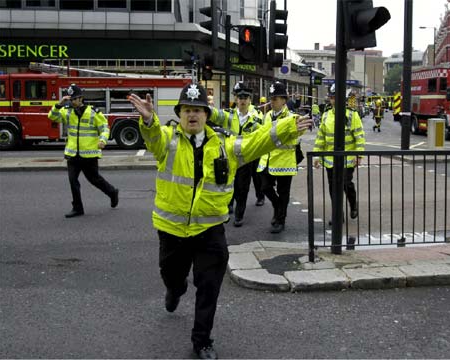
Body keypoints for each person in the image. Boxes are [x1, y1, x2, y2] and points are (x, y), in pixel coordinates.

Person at [128, 83, 312, 359]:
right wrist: (147, 120)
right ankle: (175, 290)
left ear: (206, 114)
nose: (193, 115)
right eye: (187, 110)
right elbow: (153, 137)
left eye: (198, 110)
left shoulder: (227, 146)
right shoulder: (167, 140)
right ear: (180, 114)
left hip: (210, 231)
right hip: (172, 231)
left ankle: (201, 341)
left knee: (209, 287)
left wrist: (287, 127)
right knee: (172, 276)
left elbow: (258, 140)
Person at [48, 84, 119, 218]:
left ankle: (112, 192)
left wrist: (103, 140)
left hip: (89, 154)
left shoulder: (93, 112)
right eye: (70, 99)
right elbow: (52, 117)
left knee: (95, 180)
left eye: (74, 99)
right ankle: (77, 208)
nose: (72, 102)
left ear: (81, 99)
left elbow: (104, 127)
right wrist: (59, 104)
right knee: (72, 180)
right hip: (73, 154)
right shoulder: (67, 111)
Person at [208, 81, 265, 226]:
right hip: (229, 158)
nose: (243, 100)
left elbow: (262, 135)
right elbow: (215, 114)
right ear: (236, 99)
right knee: (227, 184)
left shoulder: (256, 119)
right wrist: (204, 107)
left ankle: (239, 215)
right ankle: (228, 208)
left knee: (242, 188)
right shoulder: (229, 115)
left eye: (246, 97)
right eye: (240, 97)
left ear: (250, 99)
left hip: (245, 159)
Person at [313, 83, 365, 222]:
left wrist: (358, 155)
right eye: (332, 97)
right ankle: (338, 214)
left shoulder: (352, 115)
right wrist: (317, 155)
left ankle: (353, 204)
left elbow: (359, 136)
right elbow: (320, 137)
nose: (334, 99)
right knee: (333, 188)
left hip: (347, 158)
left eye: (337, 97)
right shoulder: (326, 115)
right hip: (330, 159)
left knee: (346, 184)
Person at [257, 81, 301, 233]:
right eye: (271, 98)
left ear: (284, 100)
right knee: (264, 187)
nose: (272, 101)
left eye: (275, 98)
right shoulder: (267, 115)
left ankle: (280, 220)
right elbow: (263, 134)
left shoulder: (292, 117)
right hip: (267, 159)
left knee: (284, 193)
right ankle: (277, 206)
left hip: (284, 161)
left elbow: (295, 138)